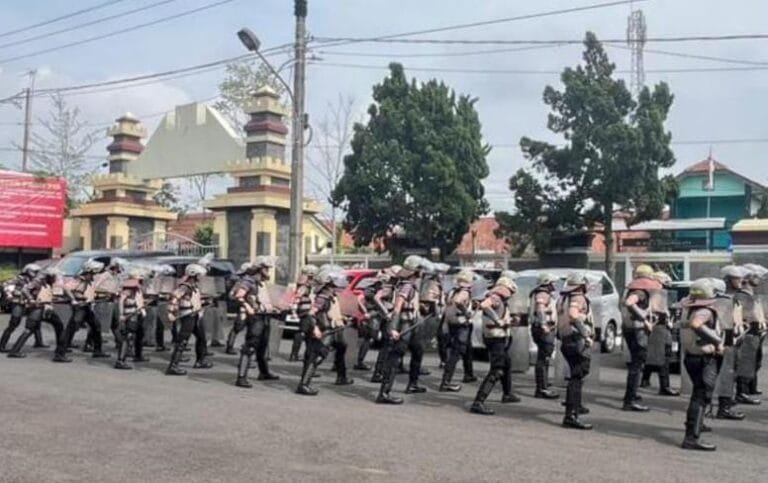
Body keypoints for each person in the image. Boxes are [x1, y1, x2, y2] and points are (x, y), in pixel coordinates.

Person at [375, 256, 428, 404]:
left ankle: (413, 384)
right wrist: (393, 328)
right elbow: (397, 308)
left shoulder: (409, 285)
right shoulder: (407, 286)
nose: (422, 273)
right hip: (403, 325)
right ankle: (384, 393)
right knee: (395, 357)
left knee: (418, 351)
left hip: (411, 323)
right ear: (415, 272)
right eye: (420, 270)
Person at [680, 278, 724, 451]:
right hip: (703, 358)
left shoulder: (687, 308)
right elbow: (696, 324)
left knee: (698, 394)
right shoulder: (704, 311)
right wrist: (717, 341)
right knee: (701, 396)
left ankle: (697, 424)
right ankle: (691, 437)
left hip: (691, 356)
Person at [296, 270, 354, 395]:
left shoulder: (331, 295)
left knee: (341, 347)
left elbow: (330, 312)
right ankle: (304, 384)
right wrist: (315, 328)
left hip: (334, 329)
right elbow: (312, 313)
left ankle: (341, 376)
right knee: (318, 356)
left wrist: (342, 318)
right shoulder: (323, 296)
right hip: (326, 330)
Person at [469, 276, 519, 415]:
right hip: (496, 338)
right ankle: (478, 402)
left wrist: (508, 320)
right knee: (497, 369)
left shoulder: (499, 299)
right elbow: (484, 306)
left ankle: (507, 393)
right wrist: (498, 320)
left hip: (498, 337)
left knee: (506, 364)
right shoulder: (495, 297)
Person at [621, 264, 663, 412]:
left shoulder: (632, 288)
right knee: (637, 366)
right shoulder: (640, 291)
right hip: (638, 330)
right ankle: (630, 400)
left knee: (636, 364)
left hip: (629, 328)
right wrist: (644, 318)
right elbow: (629, 303)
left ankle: (632, 395)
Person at [6, 268, 71, 362]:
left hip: (42, 308)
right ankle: (59, 354)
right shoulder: (38, 281)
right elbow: (25, 290)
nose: (55, 278)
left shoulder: (46, 282)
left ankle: (14, 350)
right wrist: (31, 299)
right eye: (53, 276)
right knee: (30, 329)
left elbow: (49, 295)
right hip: (39, 308)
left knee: (57, 326)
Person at [233, 257, 280, 387]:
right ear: (259, 268)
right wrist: (247, 307)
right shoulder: (249, 280)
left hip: (265, 316)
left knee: (263, 346)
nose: (268, 271)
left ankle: (264, 372)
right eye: (266, 268)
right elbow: (239, 296)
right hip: (256, 318)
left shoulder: (261, 282)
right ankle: (241, 377)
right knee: (250, 345)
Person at [558, 272, 594, 430]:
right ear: (581, 285)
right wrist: (586, 334)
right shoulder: (578, 298)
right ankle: (571, 415)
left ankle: (575, 406)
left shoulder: (563, 298)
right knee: (577, 376)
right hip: (576, 340)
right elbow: (573, 315)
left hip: (566, 339)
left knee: (576, 374)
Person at [712, 266, 747, 420]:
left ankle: (724, 403)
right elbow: (721, 323)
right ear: (727, 280)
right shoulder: (722, 300)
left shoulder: (735, 299)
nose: (741, 281)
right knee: (725, 375)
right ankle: (723, 408)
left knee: (730, 374)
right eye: (737, 278)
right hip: (725, 342)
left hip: (734, 341)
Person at [165, 263, 213, 375]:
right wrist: (171, 312)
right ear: (193, 274)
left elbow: (193, 300)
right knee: (182, 341)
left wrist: (205, 302)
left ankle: (200, 361)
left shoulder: (193, 286)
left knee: (202, 338)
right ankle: (173, 366)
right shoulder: (185, 286)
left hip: (195, 315)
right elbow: (174, 297)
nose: (201, 277)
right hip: (187, 315)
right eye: (199, 275)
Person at [639, 271, 681, 397]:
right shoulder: (656, 293)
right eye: (665, 282)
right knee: (664, 356)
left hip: (657, 327)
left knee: (655, 355)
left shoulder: (653, 293)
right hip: (659, 327)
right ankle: (665, 386)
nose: (667, 284)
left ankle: (645, 379)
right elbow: (656, 309)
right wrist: (667, 314)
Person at [63, 260, 110, 359]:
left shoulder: (89, 281)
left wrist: (104, 295)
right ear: (89, 272)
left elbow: (92, 292)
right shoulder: (80, 280)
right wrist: (73, 300)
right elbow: (66, 288)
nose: (94, 276)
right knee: (71, 328)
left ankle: (97, 351)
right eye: (93, 273)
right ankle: (59, 353)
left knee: (96, 327)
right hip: (80, 307)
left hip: (87, 307)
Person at [734, 264, 765, 405]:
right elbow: (739, 315)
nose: (758, 279)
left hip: (756, 333)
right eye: (755, 276)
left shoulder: (752, 295)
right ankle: (742, 392)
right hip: (747, 334)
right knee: (745, 363)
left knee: (754, 362)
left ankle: (747, 389)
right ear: (746, 279)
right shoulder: (741, 296)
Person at [439, 270, 475, 392]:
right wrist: (467, 312)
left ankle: (451, 379)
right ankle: (446, 382)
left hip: (451, 324)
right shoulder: (464, 292)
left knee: (457, 352)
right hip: (461, 324)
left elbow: (447, 308)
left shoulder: (453, 291)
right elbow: (459, 302)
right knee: (456, 354)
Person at [0, 263, 48, 352]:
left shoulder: (36, 280)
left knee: (35, 322)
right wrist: (9, 294)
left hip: (30, 303)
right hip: (19, 302)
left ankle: (38, 342)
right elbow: (4, 284)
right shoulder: (19, 278)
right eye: (35, 271)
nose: (37, 273)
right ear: (28, 271)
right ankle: (1, 345)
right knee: (13, 324)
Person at [529, 272, 559, 399]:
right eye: (553, 282)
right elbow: (540, 309)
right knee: (543, 358)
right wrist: (543, 325)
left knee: (544, 358)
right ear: (547, 282)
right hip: (544, 330)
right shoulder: (542, 294)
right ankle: (541, 388)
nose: (555, 284)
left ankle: (543, 384)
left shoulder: (540, 293)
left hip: (541, 329)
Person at [114, 269, 150, 370]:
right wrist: (121, 314)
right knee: (127, 337)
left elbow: (139, 300)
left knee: (140, 335)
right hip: (129, 315)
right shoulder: (128, 289)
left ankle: (138, 355)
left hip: (138, 314)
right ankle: (120, 360)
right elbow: (121, 301)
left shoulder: (137, 288)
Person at [369, 265, 399, 383]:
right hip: (388, 317)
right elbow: (377, 298)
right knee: (386, 346)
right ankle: (378, 372)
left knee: (388, 345)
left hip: (388, 317)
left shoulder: (392, 286)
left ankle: (381, 371)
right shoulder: (388, 286)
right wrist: (386, 312)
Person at [225, 262, 258, 355]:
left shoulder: (243, 281)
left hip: (247, 307)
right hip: (243, 308)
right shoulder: (243, 282)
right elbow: (234, 295)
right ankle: (230, 347)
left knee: (245, 328)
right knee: (238, 327)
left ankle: (231, 346)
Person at [289, 264, 319, 362]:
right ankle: (296, 355)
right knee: (304, 332)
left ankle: (296, 354)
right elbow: (297, 296)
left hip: (304, 310)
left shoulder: (304, 284)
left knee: (304, 332)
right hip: (305, 311)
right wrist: (294, 309)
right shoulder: (304, 285)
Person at [153, 264, 177, 352]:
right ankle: (159, 344)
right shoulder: (158, 279)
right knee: (160, 325)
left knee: (173, 321)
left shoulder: (172, 279)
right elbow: (156, 291)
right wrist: (163, 295)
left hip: (171, 302)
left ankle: (175, 339)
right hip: (161, 303)